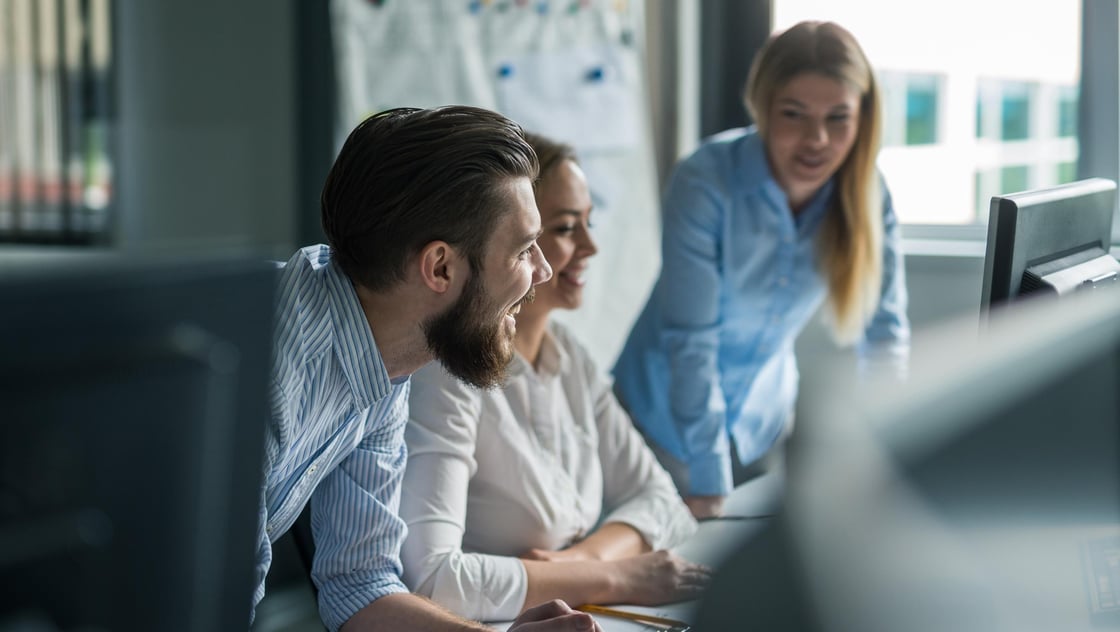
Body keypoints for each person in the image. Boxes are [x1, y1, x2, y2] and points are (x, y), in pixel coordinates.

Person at [257, 106, 605, 632]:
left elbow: (361, 583)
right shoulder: (273, 360)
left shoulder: (387, 358)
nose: (544, 270)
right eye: (523, 249)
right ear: (440, 266)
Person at [399, 132, 708, 622]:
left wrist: (577, 562)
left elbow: (661, 499)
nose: (590, 246)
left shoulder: (569, 357)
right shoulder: (446, 372)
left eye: (588, 222)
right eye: (565, 228)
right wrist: (617, 576)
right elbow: (434, 583)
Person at [612, 20, 910, 519]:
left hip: (761, 423)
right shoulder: (706, 179)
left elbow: (885, 335)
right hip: (659, 423)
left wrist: (894, 454)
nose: (816, 140)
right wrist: (709, 481)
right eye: (794, 115)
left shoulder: (867, 193)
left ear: (863, 119)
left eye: (839, 118)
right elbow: (692, 339)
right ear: (763, 107)